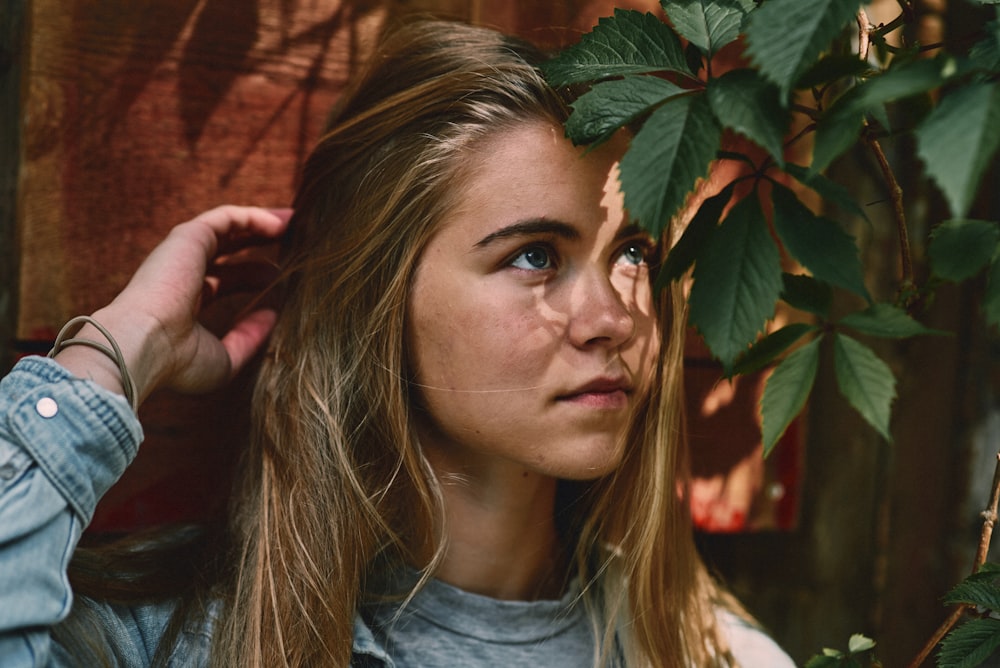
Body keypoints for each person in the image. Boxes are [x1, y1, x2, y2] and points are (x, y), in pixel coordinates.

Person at [0, 18, 794, 667]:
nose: (614, 317)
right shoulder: (165, 644)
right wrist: (109, 356)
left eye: (633, 254)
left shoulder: (710, 653)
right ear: (378, 296)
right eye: (534, 255)